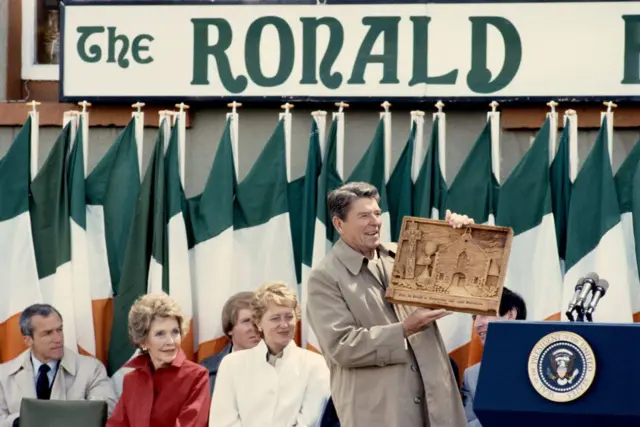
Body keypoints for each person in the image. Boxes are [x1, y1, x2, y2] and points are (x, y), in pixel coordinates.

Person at [306, 182, 472, 427]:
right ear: (338, 224)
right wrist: (404, 329)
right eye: (363, 215)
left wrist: (458, 234)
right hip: (382, 415)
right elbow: (341, 346)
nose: (375, 221)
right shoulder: (325, 277)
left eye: (376, 213)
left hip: (437, 409)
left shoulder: (404, 255)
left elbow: (462, 278)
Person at [209, 281, 330, 427]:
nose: (284, 324)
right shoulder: (231, 364)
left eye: (289, 317)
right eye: (275, 318)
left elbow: (311, 421)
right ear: (258, 323)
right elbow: (222, 421)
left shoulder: (316, 363)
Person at [0, 304, 117, 427]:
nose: (58, 338)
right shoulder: (3, 375)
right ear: (28, 340)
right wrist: (19, 420)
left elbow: (106, 410)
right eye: (48, 333)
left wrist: (40, 417)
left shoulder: (92, 369)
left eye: (59, 330)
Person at [106, 293, 210, 427]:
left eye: (175, 332)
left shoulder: (197, 376)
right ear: (143, 341)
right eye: (160, 334)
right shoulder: (131, 380)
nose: (171, 341)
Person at [461, 287, 527, 427]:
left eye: (484, 314)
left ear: (510, 314)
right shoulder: (472, 375)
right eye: (474, 317)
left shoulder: (543, 365)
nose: (477, 324)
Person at [200, 292, 261, 394]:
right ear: (230, 328)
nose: (255, 328)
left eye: (258, 320)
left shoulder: (282, 364)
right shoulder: (208, 369)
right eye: (246, 321)